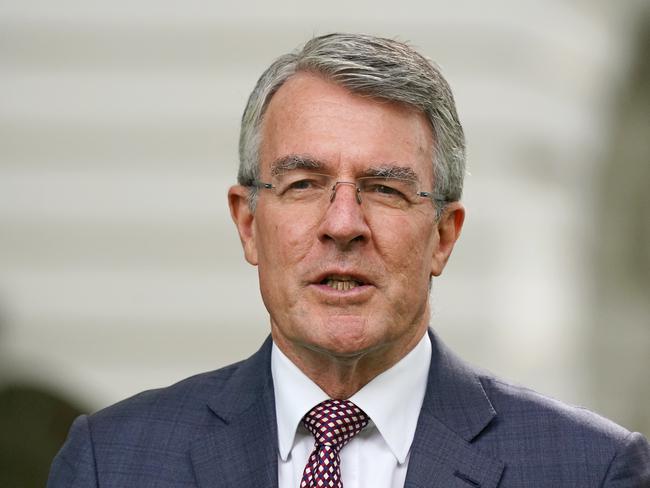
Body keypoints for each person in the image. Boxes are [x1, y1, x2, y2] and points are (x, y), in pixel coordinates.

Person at [48, 33, 649, 487]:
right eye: (304, 184)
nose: (343, 225)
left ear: (443, 235)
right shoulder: (114, 460)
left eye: (385, 189)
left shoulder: (590, 469)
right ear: (249, 223)